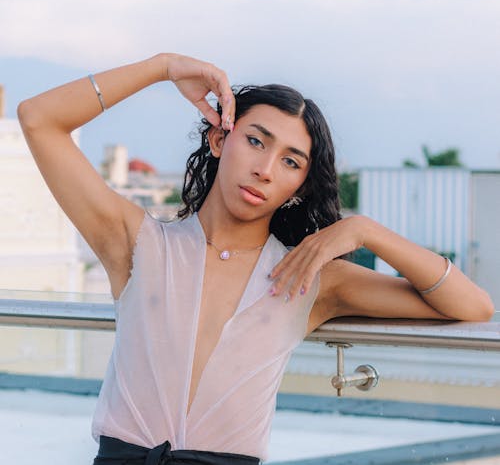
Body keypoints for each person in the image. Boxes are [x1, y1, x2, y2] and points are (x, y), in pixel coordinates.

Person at [17, 52, 494, 465]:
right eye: (256, 141)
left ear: (299, 186)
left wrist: (364, 229)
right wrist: (163, 67)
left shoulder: (311, 278)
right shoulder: (137, 243)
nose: (265, 170)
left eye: (290, 161)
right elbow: (38, 117)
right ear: (220, 140)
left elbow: (474, 307)